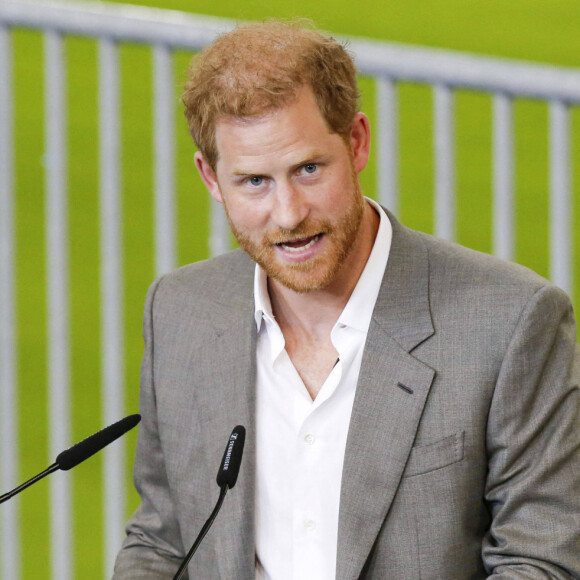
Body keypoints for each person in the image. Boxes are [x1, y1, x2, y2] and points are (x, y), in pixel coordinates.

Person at [112, 21, 580, 579]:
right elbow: (161, 543)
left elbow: (541, 563)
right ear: (211, 178)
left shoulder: (512, 322)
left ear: (356, 142)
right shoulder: (180, 310)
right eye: (253, 182)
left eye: (308, 169)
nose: (287, 214)